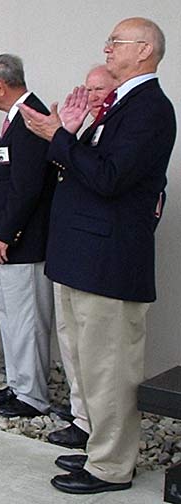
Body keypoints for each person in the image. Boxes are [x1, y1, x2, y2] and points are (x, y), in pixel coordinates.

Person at [19, 17, 176, 494]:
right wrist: (66, 133)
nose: (107, 48)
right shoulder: (118, 105)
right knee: (87, 365)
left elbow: (110, 177)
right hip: (83, 256)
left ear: (145, 50)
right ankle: (97, 446)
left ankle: (111, 467)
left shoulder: (149, 108)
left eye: (116, 42)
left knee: (109, 368)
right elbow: (78, 171)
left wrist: (59, 138)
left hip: (108, 262)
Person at [0, 54, 56, 418]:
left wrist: (6, 234)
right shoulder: (17, 119)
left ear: (0, 85)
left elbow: (28, 188)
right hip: (10, 239)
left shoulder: (31, 119)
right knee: (11, 318)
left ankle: (32, 396)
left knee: (26, 321)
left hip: (23, 242)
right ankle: (18, 384)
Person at [47, 63, 117, 450]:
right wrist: (68, 132)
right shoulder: (86, 130)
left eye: (99, 89)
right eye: (88, 89)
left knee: (95, 351)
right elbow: (58, 170)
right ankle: (81, 414)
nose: (91, 96)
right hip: (70, 250)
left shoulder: (118, 131)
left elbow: (108, 182)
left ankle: (95, 425)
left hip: (96, 256)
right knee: (71, 342)